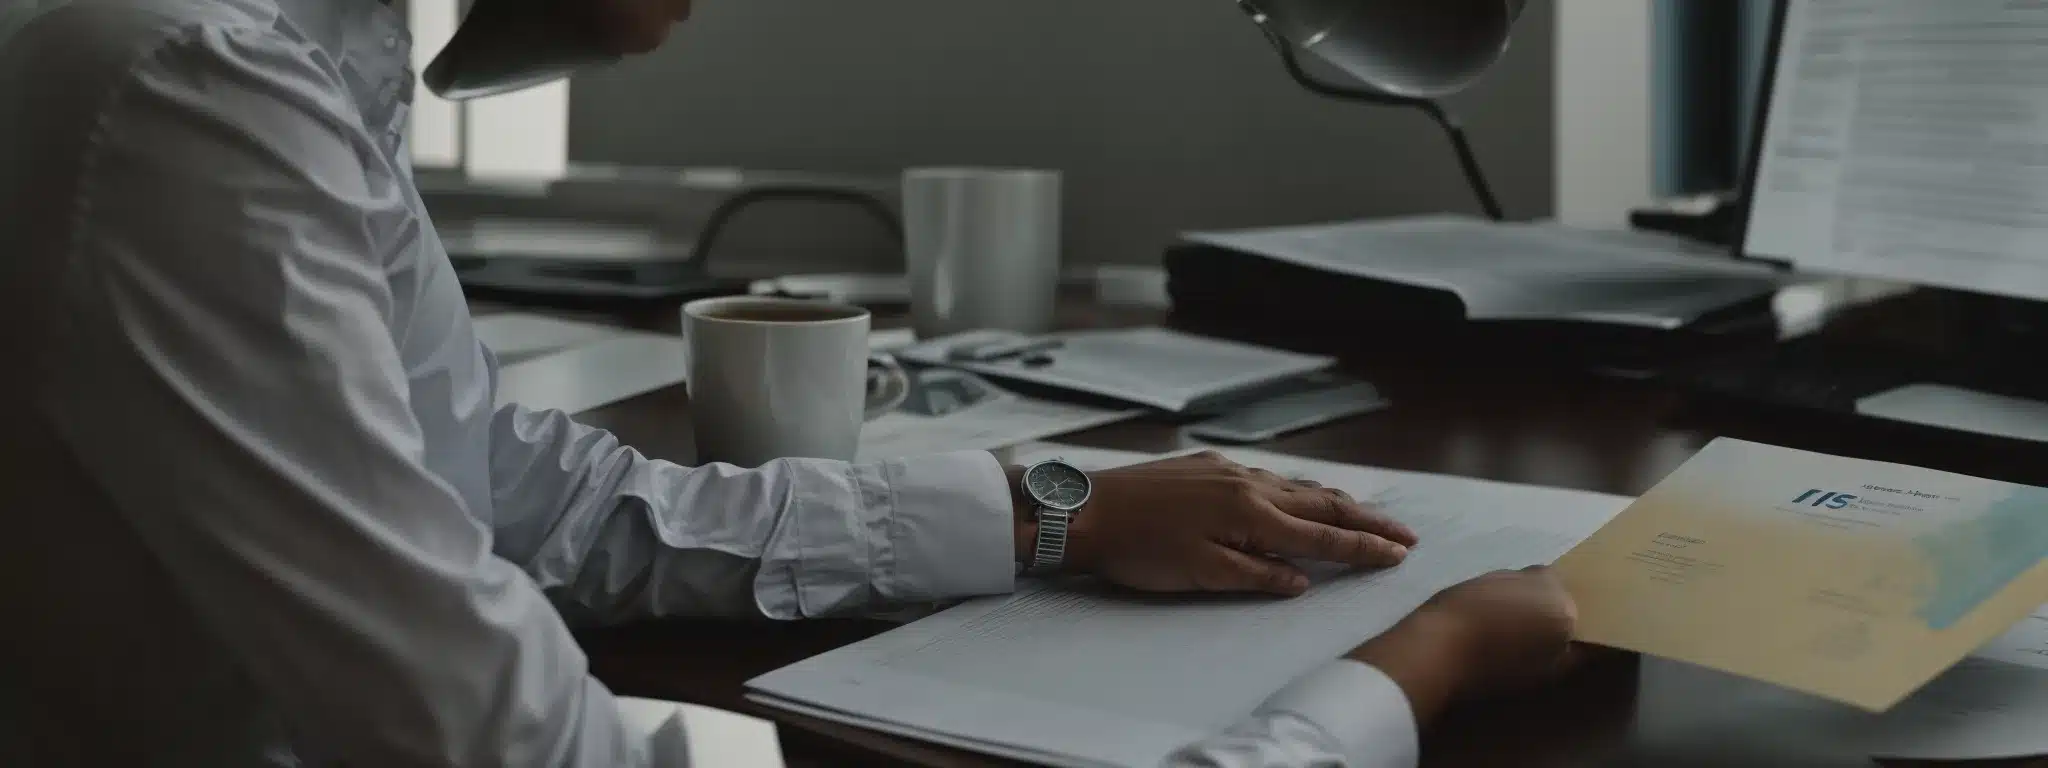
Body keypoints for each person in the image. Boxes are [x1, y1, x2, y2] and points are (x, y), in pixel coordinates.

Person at [0, 0, 1580, 765]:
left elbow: (516, 502)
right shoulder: (199, 77)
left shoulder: (295, 52)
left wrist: (1053, 513)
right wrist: (1399, 677)